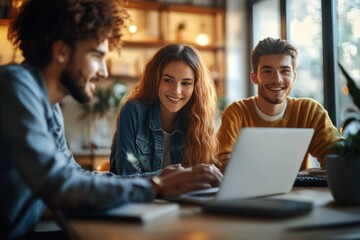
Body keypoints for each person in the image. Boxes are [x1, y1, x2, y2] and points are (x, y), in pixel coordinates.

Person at [0, 1, 223, 239]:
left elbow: (77, 177)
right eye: (97, 56)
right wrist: (155, 186)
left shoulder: (48, 105)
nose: (103, 72)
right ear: (61, 51)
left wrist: (160, 178)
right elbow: (60, 186)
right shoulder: (15, 86)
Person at [216, 37, 342, 172]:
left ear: (294, 76)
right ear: (254, 77)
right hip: (250, 193)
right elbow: (222, 163)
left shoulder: (309, 111)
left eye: (285, 71)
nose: (277, 79)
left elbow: (338, 155)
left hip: (299, 192)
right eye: (267, 71)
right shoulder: (236, 113)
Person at [110, 44, 220, 177]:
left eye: (186, 83)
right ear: (155, 80)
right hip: (139, 198)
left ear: (195, 87)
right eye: (168, 80)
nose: (176, 91)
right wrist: (173, 178)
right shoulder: (133, 111)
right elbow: (128, 176)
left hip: (182, 198)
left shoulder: (198, 119)